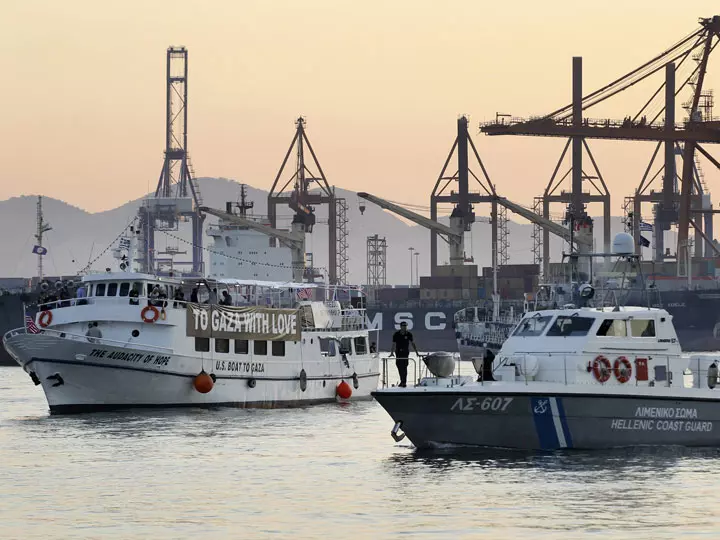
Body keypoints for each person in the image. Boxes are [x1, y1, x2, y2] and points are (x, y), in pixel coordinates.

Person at [389, 321, 418, 387]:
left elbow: (412, 343)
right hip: (398, 352)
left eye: (405, 326)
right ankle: (402, 381)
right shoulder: (396, 334)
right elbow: (394, 344)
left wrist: (416, 352)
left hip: (405, 352)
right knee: (399, 366)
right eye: (403, 326)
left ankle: (404, 382)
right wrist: (391, 352)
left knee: (404, 366)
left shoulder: (409, 334)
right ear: (400, 326)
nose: (404, 327)